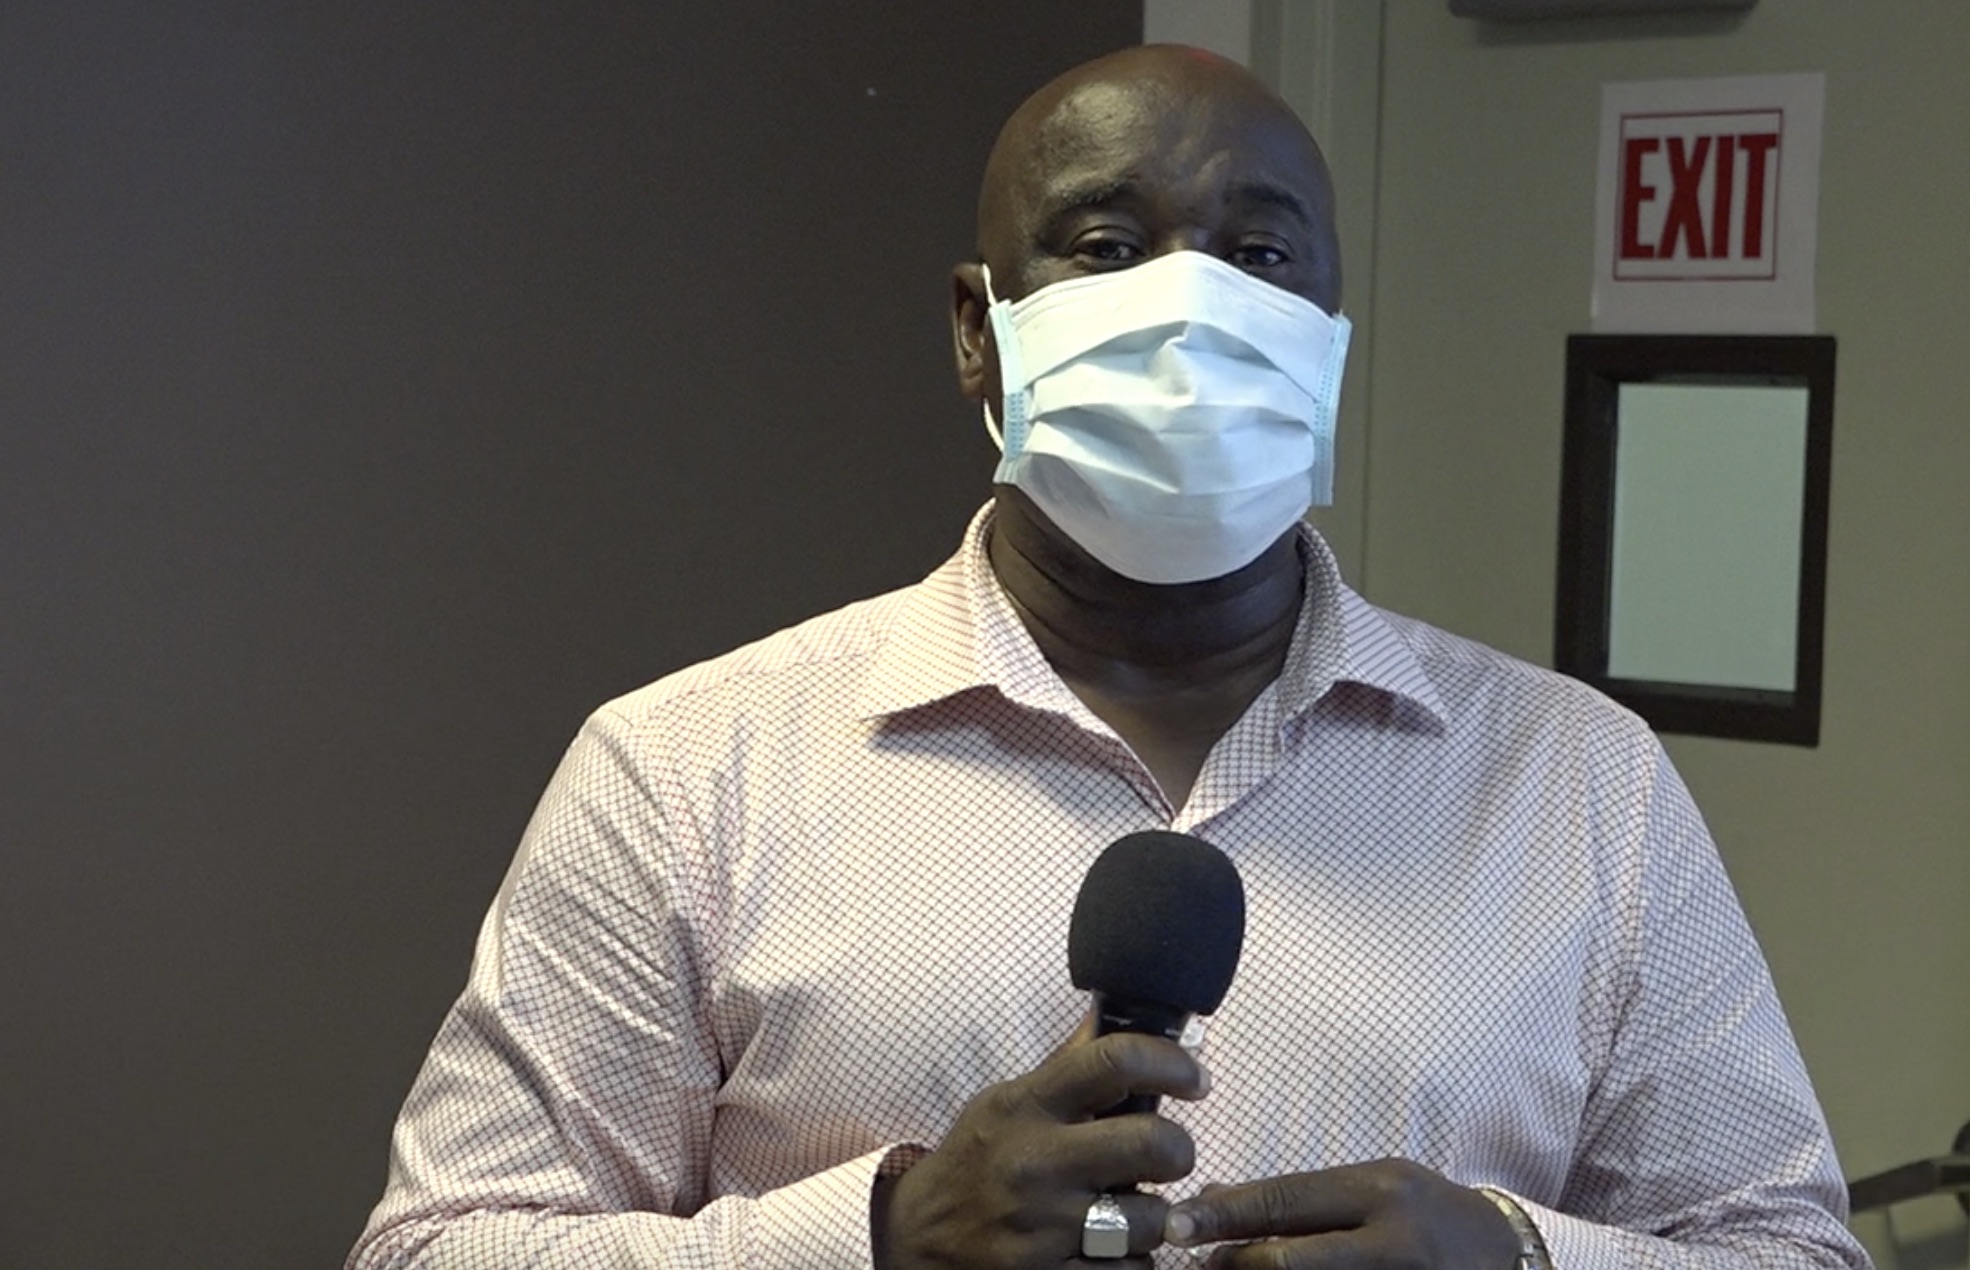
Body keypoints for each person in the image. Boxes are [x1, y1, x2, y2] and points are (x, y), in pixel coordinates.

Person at [347, 45, 1867, 1270]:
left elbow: (1788, 1247)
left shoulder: (1577, 785)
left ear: (1327, 336)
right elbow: (436, 1248)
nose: (1193, 307)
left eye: (1259, 252)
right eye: (1109, 243)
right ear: (976, 330)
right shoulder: (691, 774)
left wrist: (1518, 1257)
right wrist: (877, 1237)